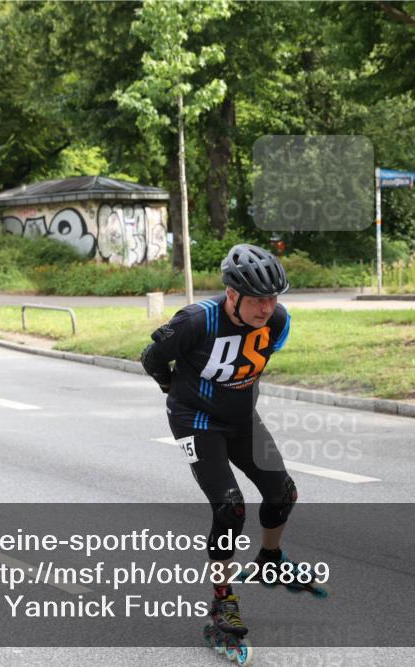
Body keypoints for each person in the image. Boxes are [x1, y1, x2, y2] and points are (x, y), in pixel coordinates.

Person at [141, 243, 299, 639]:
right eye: (258, 299)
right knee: (230, 508)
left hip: (242, 419)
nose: (267, 308)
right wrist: (172, 389)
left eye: (272, 298)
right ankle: (223, 601)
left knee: (283, 492)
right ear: (232, 294)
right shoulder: (196, 322)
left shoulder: (278, 321)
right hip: (195, 419)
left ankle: (270, 557)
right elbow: (152, 358)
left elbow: (254, 362)